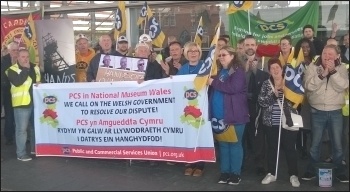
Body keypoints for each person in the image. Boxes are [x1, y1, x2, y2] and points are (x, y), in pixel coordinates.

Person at [302, 44, 349, 183]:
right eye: (324, 53)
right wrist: (322, 74)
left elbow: (343, 86)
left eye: (330, 54)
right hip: (316, 110)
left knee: (337, 144)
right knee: (315, 143)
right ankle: (311, 169)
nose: (327, 57)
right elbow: (308, 86)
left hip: (335, 111)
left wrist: (333, 72)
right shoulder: (312, 67)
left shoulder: (341, 68)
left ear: (336, 57)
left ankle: (340, 171)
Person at [207, 46, 249, 185]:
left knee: (235, 145)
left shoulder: (238, 71)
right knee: (223, 146)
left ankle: (235, 173)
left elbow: (233, 88)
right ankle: (225, 172)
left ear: (232, 56)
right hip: (218, 117)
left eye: (224, 55)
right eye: (219, 55)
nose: (221, 57)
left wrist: (213, 82)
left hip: (234, 115)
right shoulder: (220, 72)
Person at [258, 58, 300, 187]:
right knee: (272, 148)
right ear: (269, 71)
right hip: (271, 122)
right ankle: (271, 173)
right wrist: (273, 95)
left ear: (282, 69)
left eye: (277, 67)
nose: (275, 70)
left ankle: (293, 175)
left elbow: (297, 101)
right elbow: (261, 101)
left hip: (289, 121)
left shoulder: (290, 83)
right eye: (272, 68)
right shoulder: (266, 84)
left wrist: (286, 93)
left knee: (290, 149)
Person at [176, 42, 206, 176]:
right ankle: (189, 162)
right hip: (187, 107)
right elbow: (176, 86)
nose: (193, 53)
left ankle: (200, 164)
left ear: (199, 53)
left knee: (200, 135)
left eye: (196, 51)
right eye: (190, 51)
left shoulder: (205, 67)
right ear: (186, 54)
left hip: (202, 106)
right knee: (188, 135)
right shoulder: (183, 69)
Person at [5, 49, 41, 161]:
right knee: (22, 130)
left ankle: (35, 149)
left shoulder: (35, 67)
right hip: (21, 103)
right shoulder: (11, 70)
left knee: (35, 128)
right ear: (17, 58)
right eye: (22, 56)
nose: (25, 59)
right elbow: (18, 82)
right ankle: (21, 154)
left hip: (35, 102)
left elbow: (38, 81)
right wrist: (25, 69)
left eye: (27, 56)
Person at [1, 41, 19, 146]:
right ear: (8, 50)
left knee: (20, 116)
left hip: (21, 92)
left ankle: (22, 136)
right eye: (13, 50)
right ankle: (9, 137)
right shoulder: (3, 61)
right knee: (9, 115)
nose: (16, 52)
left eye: (17, 50)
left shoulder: (21, 59)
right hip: (7, 92)